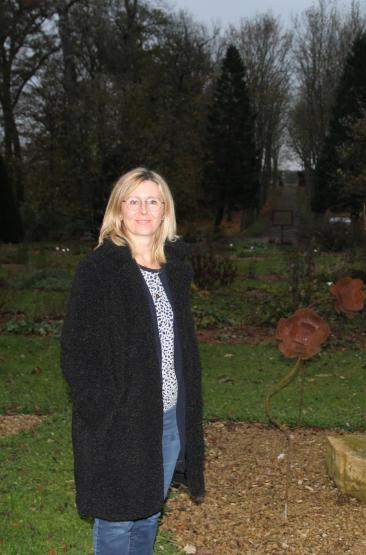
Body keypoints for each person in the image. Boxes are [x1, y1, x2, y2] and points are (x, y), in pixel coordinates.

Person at [61, 168, 204, 554]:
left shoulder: (175, 270)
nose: (144, 209)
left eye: (153, 201)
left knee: (148, 511)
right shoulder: (99, 270)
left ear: (164, 210)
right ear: (119, 209)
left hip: (168, 417)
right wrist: (100, 407)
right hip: (119, 419)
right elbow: (75, 349)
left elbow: (179, 345)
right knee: (116, 517)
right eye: (134, 200)